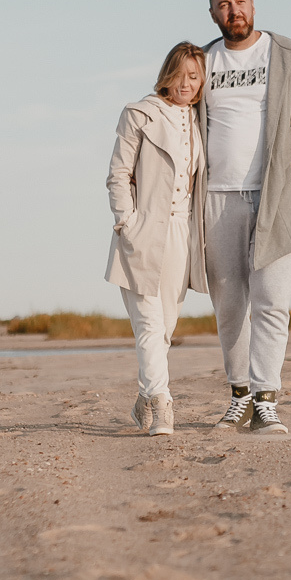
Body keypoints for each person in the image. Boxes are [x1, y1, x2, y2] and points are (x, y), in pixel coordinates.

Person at [200, 0, 291, 434]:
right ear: (213, 14)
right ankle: (239, 396)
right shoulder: (201, 62)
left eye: (240, 1)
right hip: (214, 200)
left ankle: (266, 400)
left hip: (274, 197)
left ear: (253, 5)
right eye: (223, 5)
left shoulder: (288, 56)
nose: (233, 10)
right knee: (230, 305)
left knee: (273, 301)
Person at [105, 42, 208, 436]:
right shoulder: (138, 114)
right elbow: (117, 174)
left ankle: (142, 400)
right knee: (148, 325)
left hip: (182, 234)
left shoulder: (199, 120)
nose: (187, 84)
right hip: (143, 230)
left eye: (195, 77)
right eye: (181, 75)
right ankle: (163, 407)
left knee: (164, 329)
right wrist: (126, 223)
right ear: (168, 74)